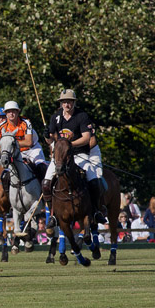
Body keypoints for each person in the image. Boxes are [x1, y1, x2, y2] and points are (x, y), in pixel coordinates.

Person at [42, 89, 106, 229]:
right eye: (64, 102)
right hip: (60, 157)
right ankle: (53, 214)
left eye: (69, 102)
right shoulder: (56, 117)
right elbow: (50, 140)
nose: (67, 104)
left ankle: (96, 210)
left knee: (93, 180)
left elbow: (86, 138)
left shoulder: (81, 116)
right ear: (61, 103)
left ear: (74, 102)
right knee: (46, 184)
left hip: (79, 154)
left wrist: (68, 145)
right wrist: (47, 136)